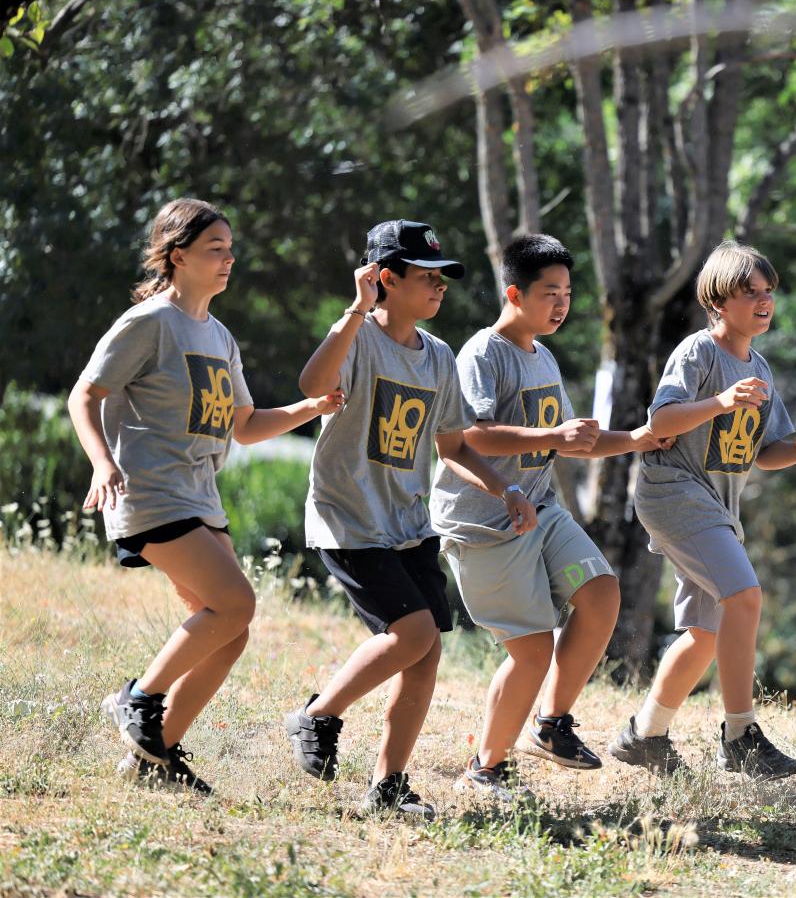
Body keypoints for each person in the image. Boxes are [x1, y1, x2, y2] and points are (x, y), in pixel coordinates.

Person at [69, 198, 341, 795]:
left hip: (198, 494)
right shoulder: (148, 324)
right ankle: (138, 699)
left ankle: (154, 757)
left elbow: (243, 425)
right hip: (150, 490)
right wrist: (101, 462)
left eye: (230, 249)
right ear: (178, 256)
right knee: (235, 603)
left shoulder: (218, 335)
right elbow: (83, 396)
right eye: (214, 249)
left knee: (230, 627)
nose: (228, 259)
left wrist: (309, 408)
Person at [284, 219, 535, 820]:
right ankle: (317, 715)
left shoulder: (440, 356)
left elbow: (453, 445)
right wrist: (353, 310)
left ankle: (389, 786)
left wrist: (505, 489)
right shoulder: (356, 337)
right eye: (425, 277)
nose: (439, 288)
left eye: (443, 278)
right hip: (349, 519)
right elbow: (312, 384)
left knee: (425, 655)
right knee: (413, 633)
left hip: (406, 522)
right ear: (383, 280)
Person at [430, 233, 665, 799]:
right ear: (514, 292)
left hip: (541, 508)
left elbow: (567, 444)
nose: (561, 304)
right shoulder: (483, 353)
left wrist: (636, 440)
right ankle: (485, 770)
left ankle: (552, 725)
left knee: (602, 591)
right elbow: (468, 437)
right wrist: (551, 434)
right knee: (532, 649)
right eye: (549, 293)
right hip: (486, 523)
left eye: (567, 292)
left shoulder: (544, 355)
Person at [608, 240, 796, 779]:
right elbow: (660, 423)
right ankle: (740, 734)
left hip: (716, 505)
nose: (763, 301)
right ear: (717, 302)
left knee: (706, 632)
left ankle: (645, 734)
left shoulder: (763, 370)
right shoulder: (698, 353)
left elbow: (761, 453)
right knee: (745, 597)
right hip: (674, 490)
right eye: (749, 292)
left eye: (768, 292)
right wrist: (722, 402)